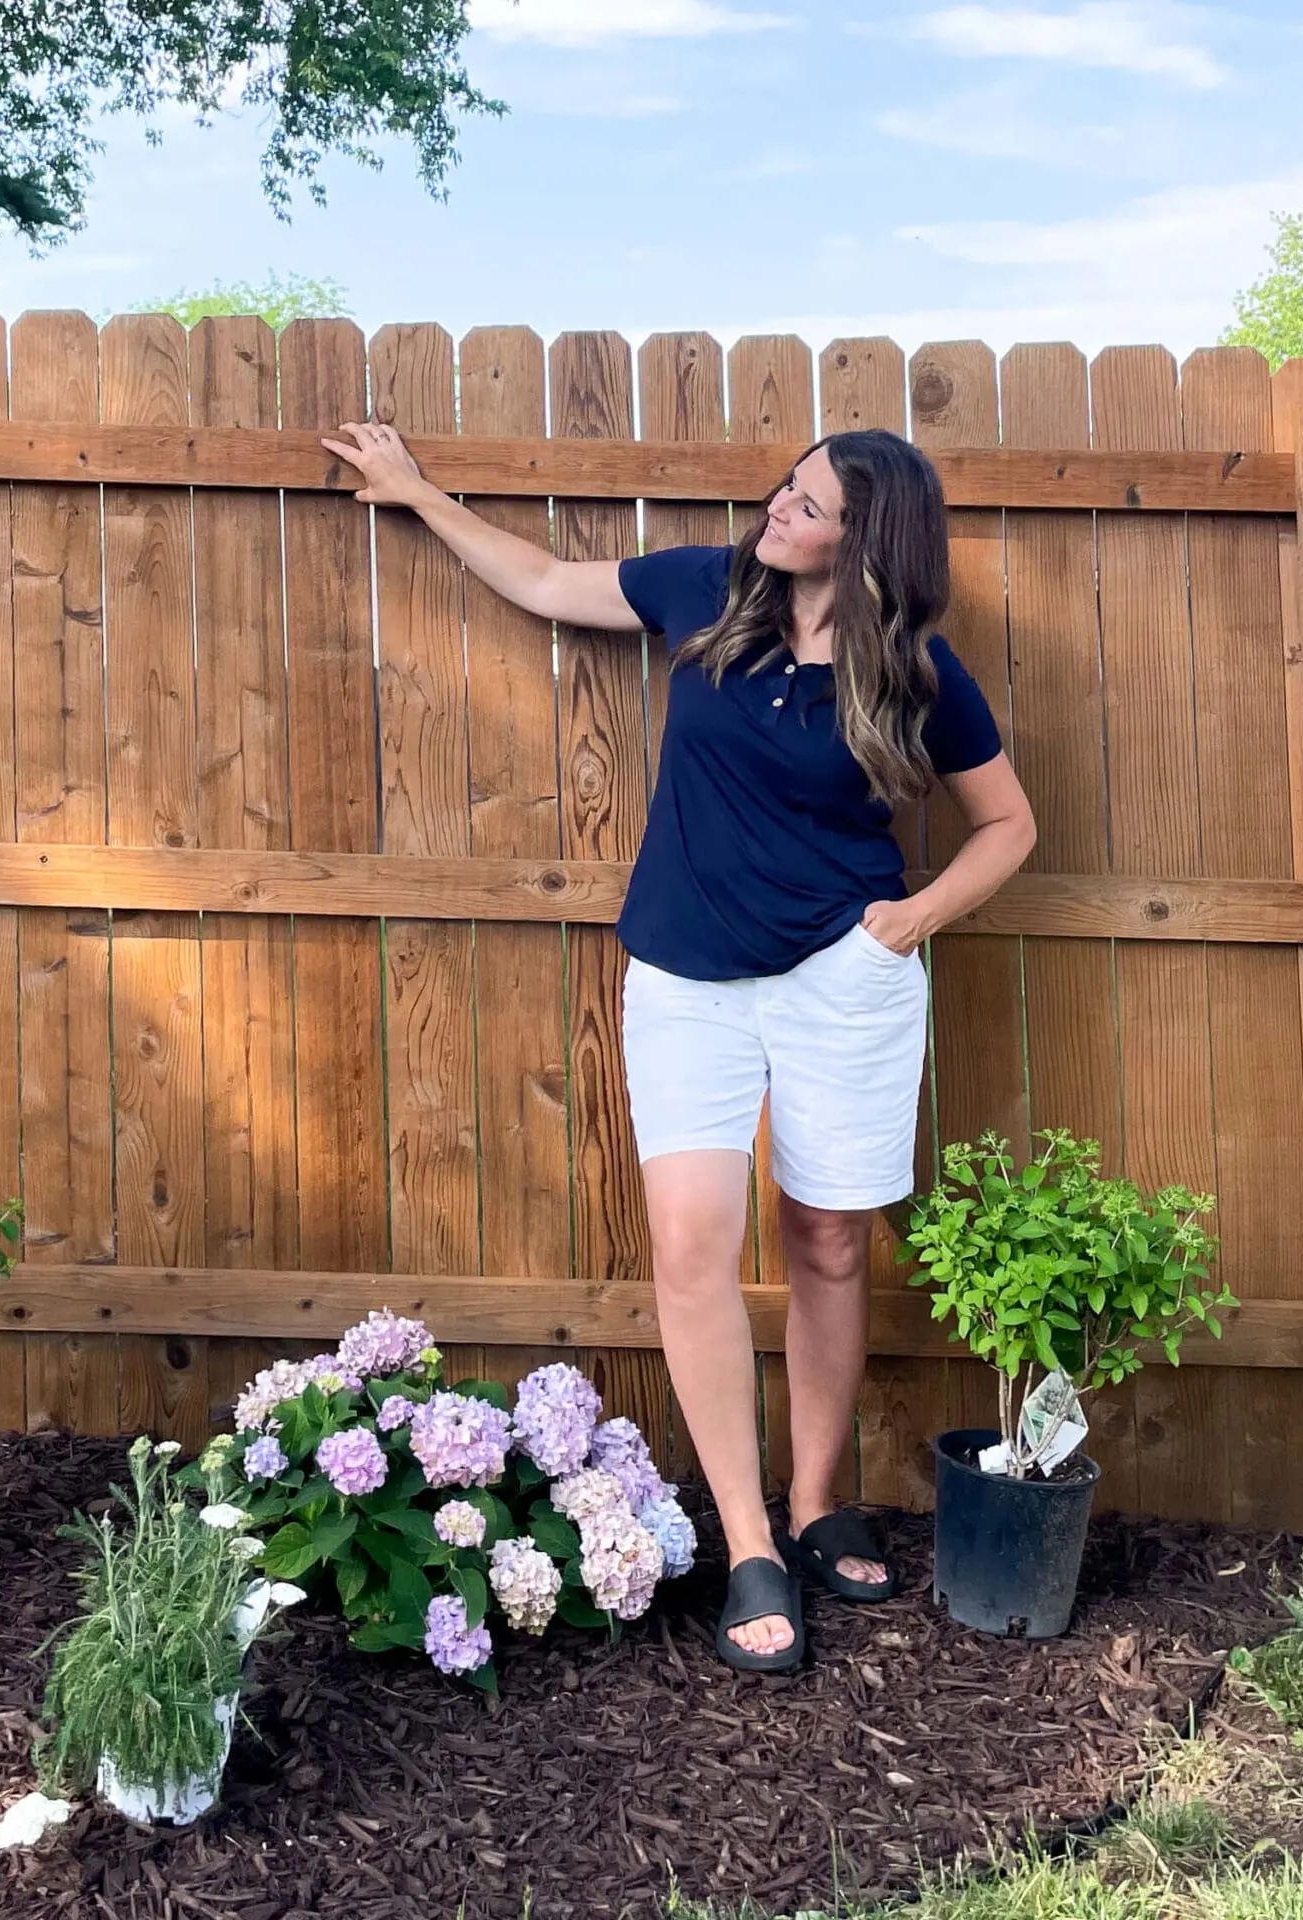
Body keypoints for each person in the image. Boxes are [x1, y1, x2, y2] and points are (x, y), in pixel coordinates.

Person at [320, 418, 1037, 1671]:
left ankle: (817, 1503)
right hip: (687, 981)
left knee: (825, 1238)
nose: (780, 511)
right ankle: (750, 1537)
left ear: (868, 544)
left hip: (841, 981)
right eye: (787, 488)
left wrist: (912, 918)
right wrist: (416, 493)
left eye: (810, 507)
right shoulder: (707, 588)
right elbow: (544, 583)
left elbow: (1007, 824)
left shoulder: (916, 673)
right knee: (691, 1246)